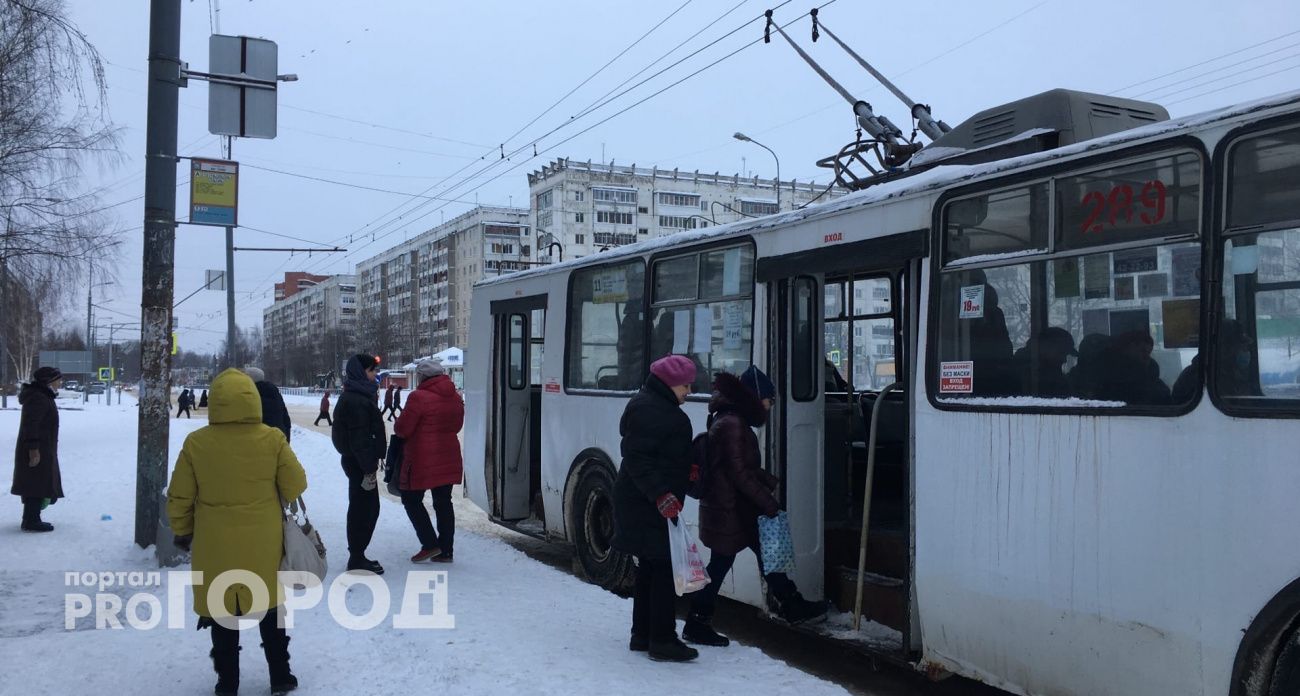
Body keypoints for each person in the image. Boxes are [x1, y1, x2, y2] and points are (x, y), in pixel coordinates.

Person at [166, 368, 308, 696]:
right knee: (270, 608)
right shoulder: (271, 438)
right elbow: (296, 483)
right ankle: (280, 676)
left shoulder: (196, 443)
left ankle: (227, 682)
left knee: (221, 612)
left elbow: (180, 496)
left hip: (214, 545)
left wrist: (182, 531)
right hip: (264, 542)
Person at [686, 366, 828, 647]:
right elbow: (739, 474)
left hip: (732, 507)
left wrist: (765, 480)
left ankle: (791, 605)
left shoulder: (728, 418)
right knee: (724, 564)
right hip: (732, 509)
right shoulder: (734, 424)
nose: (770, 406)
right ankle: (698, 622)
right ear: (755, 397)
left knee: (763, 555)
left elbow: (736, 467)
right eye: (769, 400)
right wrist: (768, 503)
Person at [612, 354, 698, 663]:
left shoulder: (652, 405)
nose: (689, 391)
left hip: (644, 500)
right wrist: (661, 494)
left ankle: (642, 634)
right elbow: (638, 458)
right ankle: (661, 639)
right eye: (686, 385)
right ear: (671, 383)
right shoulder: (652, 409)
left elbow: (660, 456)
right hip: (646, 502)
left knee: (650, 565)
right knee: (662, 567)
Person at [394, 360, 464, 563]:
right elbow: (457, 425)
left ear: (423, 377)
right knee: (443, 503)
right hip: (449, 454)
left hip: (422, 457)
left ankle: (430, 544)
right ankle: (446, 550)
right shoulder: (455, 397)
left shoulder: (418, 397)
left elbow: (402, 429)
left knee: (411, 499)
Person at [331, 354, 388, 574]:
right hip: (360, 464)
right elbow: (360, 440)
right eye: (371, 371)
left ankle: (357, 554)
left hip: (358, 462)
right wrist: (368, 470)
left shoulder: (358, 395)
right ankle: (356, 557)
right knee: (365, 509)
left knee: (364, 507)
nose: (375, 375)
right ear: (360, 372)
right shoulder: (356, 400)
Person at [10, 366, 64, 532]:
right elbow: (31, 425)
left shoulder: (42, 395)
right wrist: (34, 450)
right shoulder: (38, 398)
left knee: (36, 482)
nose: (60, 382)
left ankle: (30, 518)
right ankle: (31, 521)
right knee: (36, 483)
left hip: (42, 446)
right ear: (49, 381)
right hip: (37, 448)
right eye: (58, 379)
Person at [1013, 327, 1078, 398]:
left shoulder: (1029, 371)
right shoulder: (1026, 376)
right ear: (1045, 348)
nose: (1064, 360)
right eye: (1061, 353)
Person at [244, 367, 292, 443]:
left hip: (259, 442)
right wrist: (286, 441)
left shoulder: (248, 396)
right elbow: (286, 419)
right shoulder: (275, 394)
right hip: (279, 438)